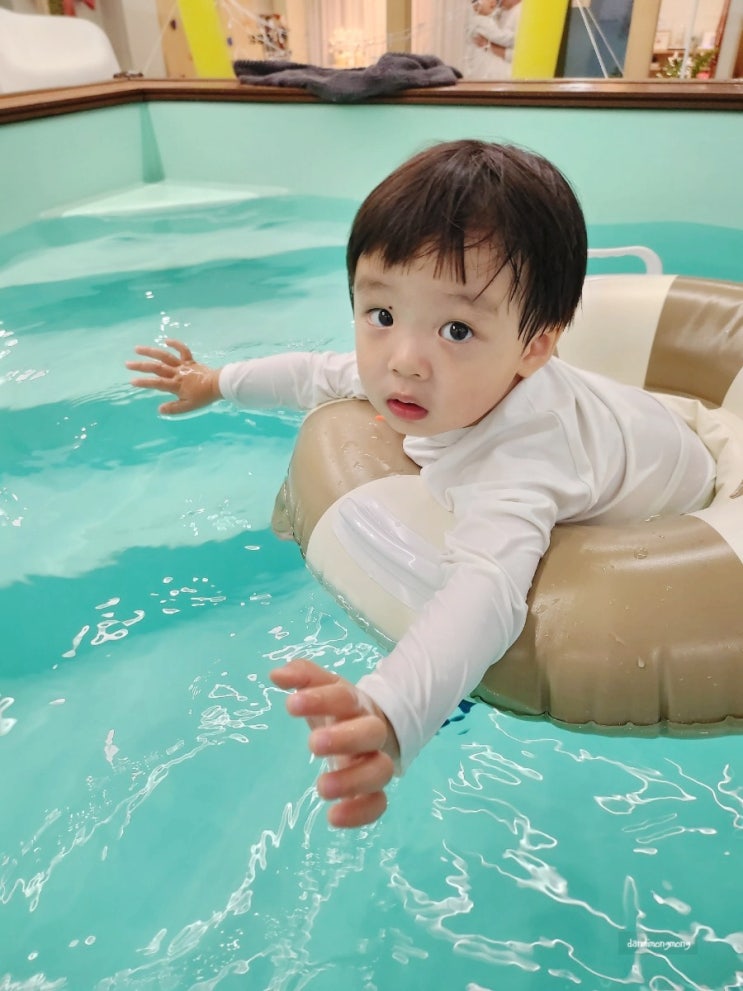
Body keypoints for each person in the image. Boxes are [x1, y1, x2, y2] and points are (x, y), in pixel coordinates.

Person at [126, 140, 715, 830]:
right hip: (632, 425)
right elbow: (315, 372)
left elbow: (487, 592)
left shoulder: (521, 462)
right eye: (380, 315)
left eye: (456, 329)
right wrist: (214, 382)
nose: (404, 361)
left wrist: (392, 710)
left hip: (674, 495)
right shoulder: (414, 367)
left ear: (534, 346)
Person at [464, 0, 522, 81]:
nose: (494, 2)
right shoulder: (484, 21)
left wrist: (491, 47)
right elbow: (500, 37)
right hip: (485, 69)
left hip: (506, 72)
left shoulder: (522, 12)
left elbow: (523, 55)